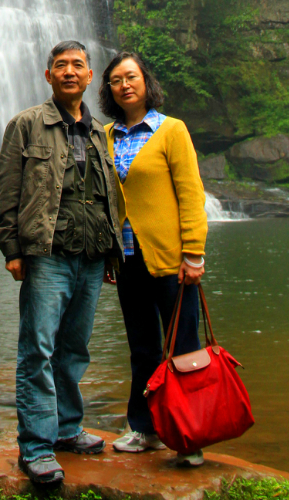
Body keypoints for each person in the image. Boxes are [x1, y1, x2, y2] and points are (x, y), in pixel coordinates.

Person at [0, 40, 123, 486]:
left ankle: (68, 428)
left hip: (90, 258)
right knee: (39, 351)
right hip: (47, 255)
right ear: (48, 76)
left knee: (74, 349)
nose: (70, 72)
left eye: (78, 66)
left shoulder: (99, 132)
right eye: (61, 66)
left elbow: (109, 196)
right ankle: (35, 446)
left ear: (90, 78)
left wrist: (111, 251)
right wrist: (11, 249)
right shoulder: (26, 124)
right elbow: (7, 191)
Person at [99, 50, 208, 467]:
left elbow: (190, 195)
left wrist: (194, 254)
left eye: (131, 76)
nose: (125, 84)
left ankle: (190, 436)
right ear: (108, 90)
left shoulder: (171, 130)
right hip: (127, 260)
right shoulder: (105, 136)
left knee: (183, 348)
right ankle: (144, 429)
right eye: (115, 80)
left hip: (171, 259)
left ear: (146, 82)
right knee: (142, 348)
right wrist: (109, 254)